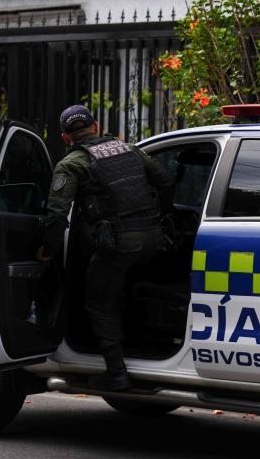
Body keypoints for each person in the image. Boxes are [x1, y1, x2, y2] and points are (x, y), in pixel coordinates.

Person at [37, 104, 173, 391]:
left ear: (65, 137)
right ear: (95, 126)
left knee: (98, 302)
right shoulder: (128, 150)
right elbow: (164, 180)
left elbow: (57, 215)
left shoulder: (72, 163)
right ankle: (141, 343)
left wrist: (47, 250)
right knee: (128, 284)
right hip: (154, 240)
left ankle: (116, 372)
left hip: (119, 244)